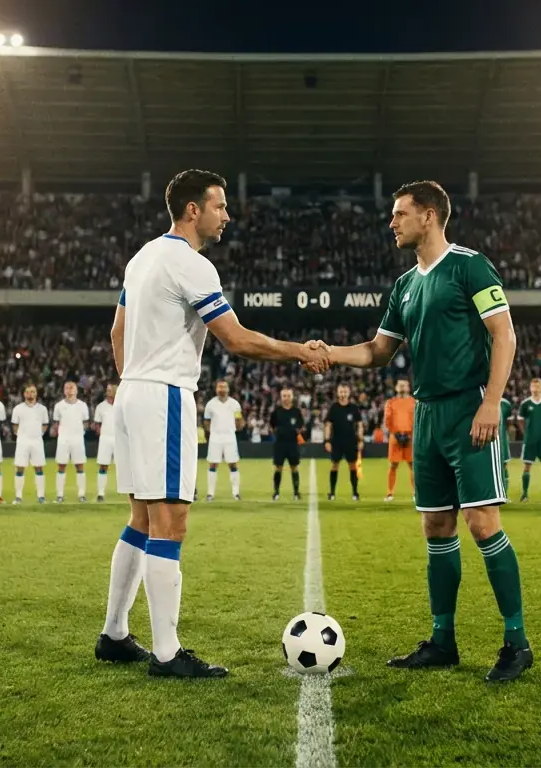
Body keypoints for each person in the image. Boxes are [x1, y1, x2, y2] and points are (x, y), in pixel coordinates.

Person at [95, 169, 329, 678]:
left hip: (131, 393)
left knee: (140, 517)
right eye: (220, 206)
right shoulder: (191, 264)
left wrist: (135, 379)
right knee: (170, 523)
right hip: (164, 397)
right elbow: (238, 339)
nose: (228, 216)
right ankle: (167, 654)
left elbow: (117, 331)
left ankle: (114, 634)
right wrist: (299, 352)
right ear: (193, 210)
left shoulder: (142, 257)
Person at [319, 180, 531, 683]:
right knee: (436, 528)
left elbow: (504, 333)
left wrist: (491, 403)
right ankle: (442, 641)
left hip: (469, 409)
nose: (392, 222)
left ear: (430, 216)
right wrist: (328, 352)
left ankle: (517, 643)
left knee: (482, 523)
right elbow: (377, 351)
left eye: (400, 214)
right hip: (427, 415)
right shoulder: (405, 285)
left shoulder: (469, 265)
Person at [203, 380, 243, 501]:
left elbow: (239, 419)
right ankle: (210, 494)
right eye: (220, 387)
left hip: (230, 437)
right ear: (216, 389)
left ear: (228, 389)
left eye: (224, 387)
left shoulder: (235, 404)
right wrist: (210, 432)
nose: (222, 389)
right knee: (213, 464)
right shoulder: (210, 404)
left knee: (233, 463)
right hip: (215, 437)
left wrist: (237, 427)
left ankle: (236, 493)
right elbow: (206, 421)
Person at [517, 378, 541, 503]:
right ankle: (525, 494)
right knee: (526, 467)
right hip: (530, 441)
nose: (535, 388)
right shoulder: (525, 404)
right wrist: (526, 433)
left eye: (538, 386)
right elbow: (520, 420)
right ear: (530, 388)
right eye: (533, 386)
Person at [53, 381, 91, 503]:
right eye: (67, 388)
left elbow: (85, 423)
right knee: (61, 466)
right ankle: (59, 495)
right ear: (64, 391)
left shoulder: (82, 405)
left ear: (76, 390)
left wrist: (80, 433)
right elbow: (56, 422)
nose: (69, 390)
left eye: (71, 387)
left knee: (80, 466)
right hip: (63, 439)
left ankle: (81, 494)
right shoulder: (59, 406)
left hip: (78, 439)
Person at [324, 383, 364, 501]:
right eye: (341, 392)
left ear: (349, 393)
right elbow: (328, 425)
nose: (343, 394)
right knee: (334, 465)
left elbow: (360, 425)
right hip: (336, 442)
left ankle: (355, 492)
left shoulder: (354, 408)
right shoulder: (334, 408)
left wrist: (361, 439)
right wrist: (327, 440)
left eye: (345, 392)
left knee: (352, 466)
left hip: (351, 441)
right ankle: (331, 492)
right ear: (337, 393)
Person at [11, 385, 50, 504]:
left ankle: (41, 497)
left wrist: (39, 433)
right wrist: (21, 435)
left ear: (36, 394)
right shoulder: (18, 408)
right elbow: (15, 425)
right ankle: (18, 497)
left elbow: (45, 424)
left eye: (33, 392)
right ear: (24, 394)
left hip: (37, 441)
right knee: (20, 468)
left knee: (39, 467)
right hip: (22, 441)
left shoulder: (42, 409)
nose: (30, 394)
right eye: (28, 392)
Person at [383, 378, 415, 501]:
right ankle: (390, 493)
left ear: (408, 387)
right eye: (400, 385)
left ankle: (415, 494)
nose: (402, 387)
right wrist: (394, 433)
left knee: (413, 465)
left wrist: (411, 434)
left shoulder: (414, 402)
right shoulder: (391, 402)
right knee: (393, 465)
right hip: (395, 437)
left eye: (404, 385)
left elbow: (416, 419)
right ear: (396, 387)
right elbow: (387, 419)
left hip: (410, 437)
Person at [270, 388, 305, 501]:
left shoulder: (296, 412)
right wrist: (278, 433)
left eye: (288, 395)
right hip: (280, 444)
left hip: (292, 444)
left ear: (292, 397)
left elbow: (301, 426)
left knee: (294, 467)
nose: (286, 398)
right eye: (284, 396)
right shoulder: (276, 412)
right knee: (278, 468)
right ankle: (276, 492)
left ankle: (296, 492)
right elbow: (271, 426)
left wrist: (295, 432)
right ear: (281, 397)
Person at [94, 384, 117, 502]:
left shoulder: (122, 404)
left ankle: (129, 493)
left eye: (110, 390)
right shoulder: (101, 407)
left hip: (119, 439)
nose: (108, 392)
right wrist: (101, 434)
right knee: (103, 465)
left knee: (124, 466)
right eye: (107, 390)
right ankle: (100, 493)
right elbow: (97, 423)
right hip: (105, 439)